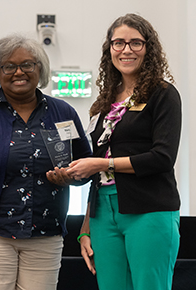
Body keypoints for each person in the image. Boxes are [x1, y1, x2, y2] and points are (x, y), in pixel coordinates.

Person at [0, 34, 92, 290]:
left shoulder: (64, 113)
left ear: (39, 68)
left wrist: (72, 177)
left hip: (47, 234)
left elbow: (86, 166)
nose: (18, 72)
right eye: (9, 66)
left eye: (27, 65)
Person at [65, 13, 181, 290]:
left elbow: (162, 157)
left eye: (135, 43)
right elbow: (97, 169)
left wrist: (101, 165)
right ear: (110, 49)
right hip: (102, 213)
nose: (126, 50)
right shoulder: (104, 101)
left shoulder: (162, 94)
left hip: (149, 209)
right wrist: (85, 227)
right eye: (119, 43)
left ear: (148, 48)